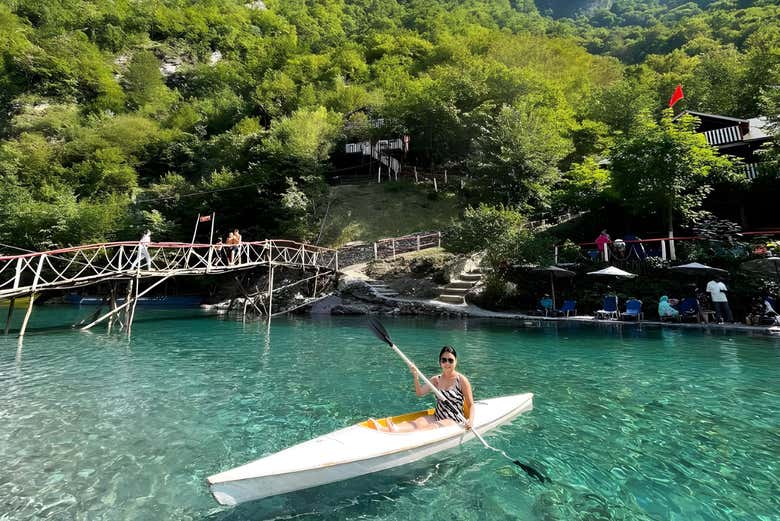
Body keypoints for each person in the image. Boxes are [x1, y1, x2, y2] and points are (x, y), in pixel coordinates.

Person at [372, 346, 475, 433]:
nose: (447, 363)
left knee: (432, 427)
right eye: (444, 360)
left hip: (454, 420)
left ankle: (405, 437)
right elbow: (420, 393)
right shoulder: (436, 380)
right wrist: (416, 377)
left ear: (455, 361)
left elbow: (471, 405)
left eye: (450, 360)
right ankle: (389, 429)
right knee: (418, 422)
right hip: (438, 415)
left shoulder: (461, 380)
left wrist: (470, 421)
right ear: (440, 362)